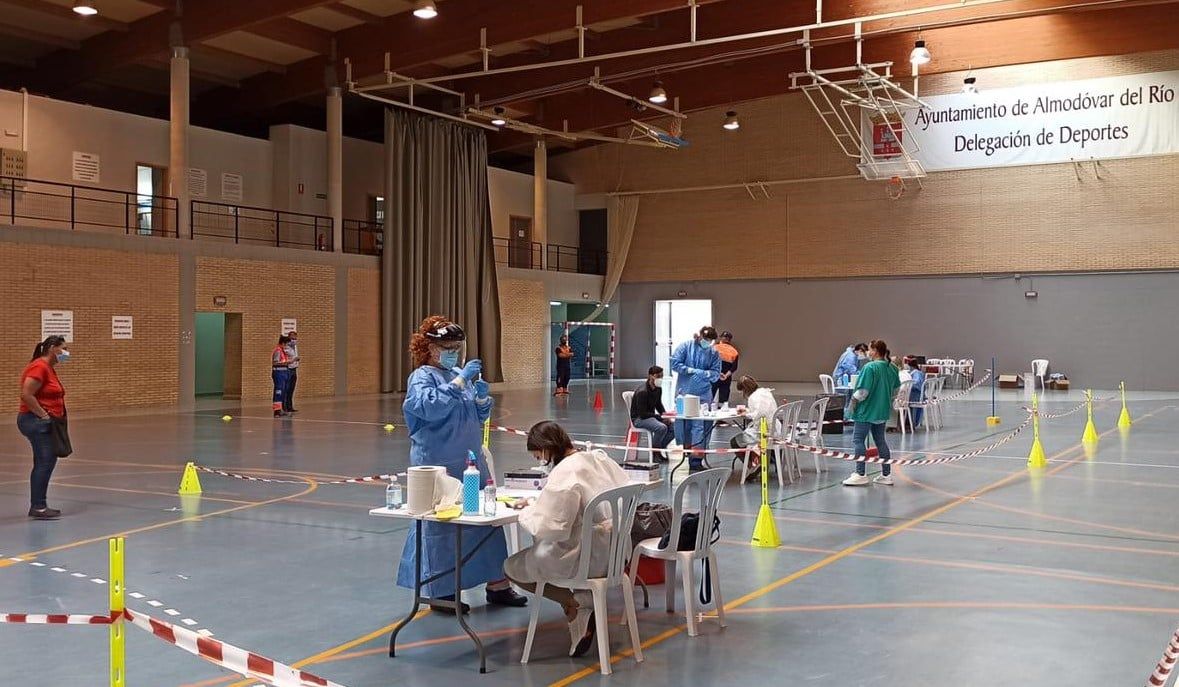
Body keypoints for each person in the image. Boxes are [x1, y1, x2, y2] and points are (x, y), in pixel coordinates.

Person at [398, 315, 526, 614]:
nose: (453, 351)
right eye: (447, 346)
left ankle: (498, 584)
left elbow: (476, 419)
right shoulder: (423, 377)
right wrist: (458, 382)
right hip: (438, 465)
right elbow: (427, 408)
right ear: (429, 348)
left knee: (486, 520)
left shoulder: (459, 373)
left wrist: (482, 401)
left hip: (470, 461)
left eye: (457, 346)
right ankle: (441, 591)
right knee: (442, 528)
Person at [504, 421, 631, 658]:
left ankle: (573, 604)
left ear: (546, 449)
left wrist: (526, 511)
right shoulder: (597, 458)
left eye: (538, 456)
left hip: (585, 559)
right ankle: (580, 607)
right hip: (615, 553)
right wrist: (538, 504)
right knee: (554, 551)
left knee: (512, 566)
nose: (539, 461)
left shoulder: (564, 473)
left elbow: (551, 527)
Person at [18, 335, 69, 520]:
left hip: (42, 421)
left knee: (44, 461)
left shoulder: (48, 368)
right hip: (35, 421)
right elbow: (27, 394)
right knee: (45, 462)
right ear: (52, 348)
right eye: (63, 348)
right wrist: (44, 415)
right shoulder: (39, 367)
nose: (66, 352)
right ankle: (38, 506)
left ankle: (39, 504)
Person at [843, 339, 901, 487]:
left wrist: (852, 405)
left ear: (874, 350)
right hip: (881, 411)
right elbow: (896, 389)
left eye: (869, 349)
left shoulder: (870, 367)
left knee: (858, 440)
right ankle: (886, 475)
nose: (868, 352)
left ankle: (860, 473)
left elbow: (862, 392)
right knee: (881, 441)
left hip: (866, 411)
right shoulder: (892, 368)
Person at [669, 325, 722, 471]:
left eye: (710, 341)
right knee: (683, 424)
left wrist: (704, 374)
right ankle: (687, 453)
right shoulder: (686, 347)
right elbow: (674, 363)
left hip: (704, 395)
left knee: (702, 426)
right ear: (699, 336)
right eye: (706, 339)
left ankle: (696, 460)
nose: (707, 343)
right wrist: (689, 370)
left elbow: (716, 374)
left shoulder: (713, 353)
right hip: (683, 394)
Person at [730, 375, 778, 482]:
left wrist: (746, 414)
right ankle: (759, 461)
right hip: (776, 429)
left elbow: (759, 414)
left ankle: (753, 465)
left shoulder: (753, 398)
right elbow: (762, 410)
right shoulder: (765, 392)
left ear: (745, 389)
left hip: (764, 432)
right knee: (747, 434)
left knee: (735, 442)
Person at [629, 366, 674, 460]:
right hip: (639, 419)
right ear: (650, 376)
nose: (660, 379)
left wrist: (665, 416)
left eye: (661, 376)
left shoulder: (658, 389)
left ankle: (658, 448)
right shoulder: (643, 392)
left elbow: (658, 405)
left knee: (673, 428)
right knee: (661, 427)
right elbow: (642, 414)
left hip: (650, 417)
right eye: (658, 376)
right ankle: (655, 453)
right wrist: (660, 418)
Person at [712, 331, 740, 406]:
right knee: (723, 401)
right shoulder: (734, 351)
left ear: (721, 338)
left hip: (714, 375)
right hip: (725, 378)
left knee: (709, 398)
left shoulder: (714, 348)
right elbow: (734, 367)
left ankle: (708, 413)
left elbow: (709, 363)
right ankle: (721, 413)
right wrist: (726, 375)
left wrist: (718, 373)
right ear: (730, 340)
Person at [271, 335, 292, 418]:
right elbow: (275, 362)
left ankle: (281, 409)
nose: (287, 346)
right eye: (286, 344)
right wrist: (287, 363)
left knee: (284, 391)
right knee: (279, 391)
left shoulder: (283, 351)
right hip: (278, 372)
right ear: (283, 343)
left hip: (284, 372)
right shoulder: (278, 351)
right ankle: (277, 411)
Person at [903, 356, 926, 427]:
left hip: (915, 396)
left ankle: (905, 423)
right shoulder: (915, 372)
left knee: (899, 401)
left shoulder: (917, 373)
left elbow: (917, 385)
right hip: (915, 395)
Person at [283, 331, 300, 413]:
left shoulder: (295, 347)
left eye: (295, 338)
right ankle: (285, 406)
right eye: (292, 338)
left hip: (294, 368)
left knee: (291, 389)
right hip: (288, 369)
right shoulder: (286, 347)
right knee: (287, 388)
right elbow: (285, 359)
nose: (294, 340)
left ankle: (290, 406)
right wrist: (293, 360)